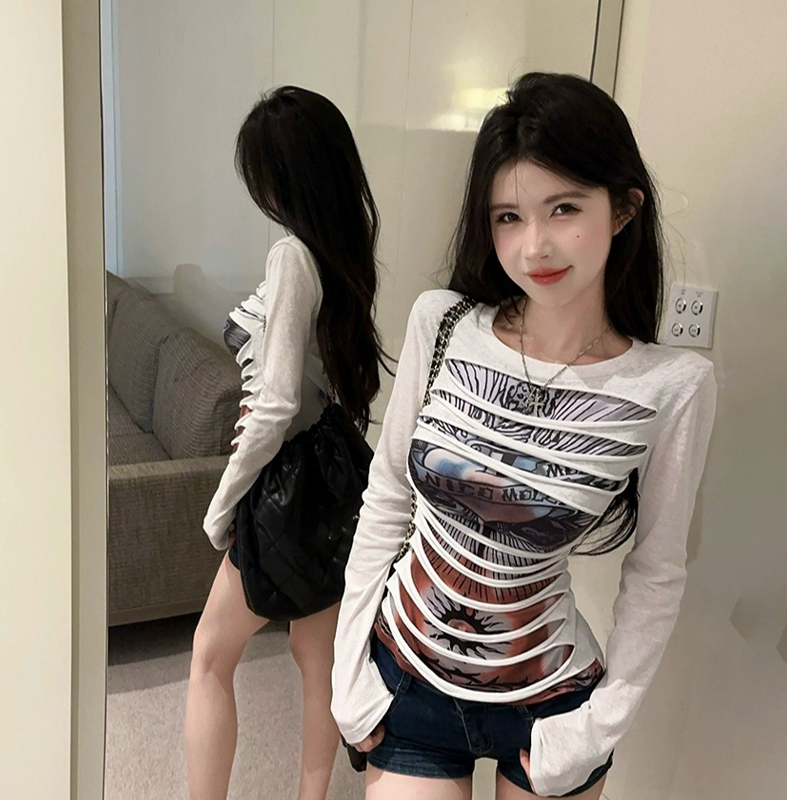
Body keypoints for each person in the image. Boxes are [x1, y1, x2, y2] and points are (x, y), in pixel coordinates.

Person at [330, 72, 717, 800]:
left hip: (551, 705)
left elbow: (657, 572)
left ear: (624, 207)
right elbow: (385, 498)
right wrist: (346, 673)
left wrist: (596, 730)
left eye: (563, 208)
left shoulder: (671, 387)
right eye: (508, 216)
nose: (534, 245)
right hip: (406, 676)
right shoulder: (442, 324)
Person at [185, 86, 387, 800]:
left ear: (283, 176)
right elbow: (318, 386)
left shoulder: (292, 256)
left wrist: (221, 505)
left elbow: (274, 404)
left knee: (210, 658)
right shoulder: (341, 252)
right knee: (316, 658)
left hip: (285, 482)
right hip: (330, 481)